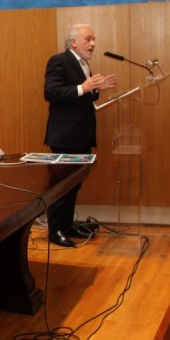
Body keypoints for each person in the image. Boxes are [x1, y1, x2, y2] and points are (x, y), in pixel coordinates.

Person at [44, 23, 117, 247]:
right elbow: (51, 92)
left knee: (74, 184)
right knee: (62, 185)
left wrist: (95, 90)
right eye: (88, 39)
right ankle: (54, 230)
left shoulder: (83, 64)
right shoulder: (59, 60)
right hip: (65, 136)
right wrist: (84, 88)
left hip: (82, 134)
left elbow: (82, 97)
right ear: (73, 42)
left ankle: (66, 226)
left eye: (93, 39)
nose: (93, 44)